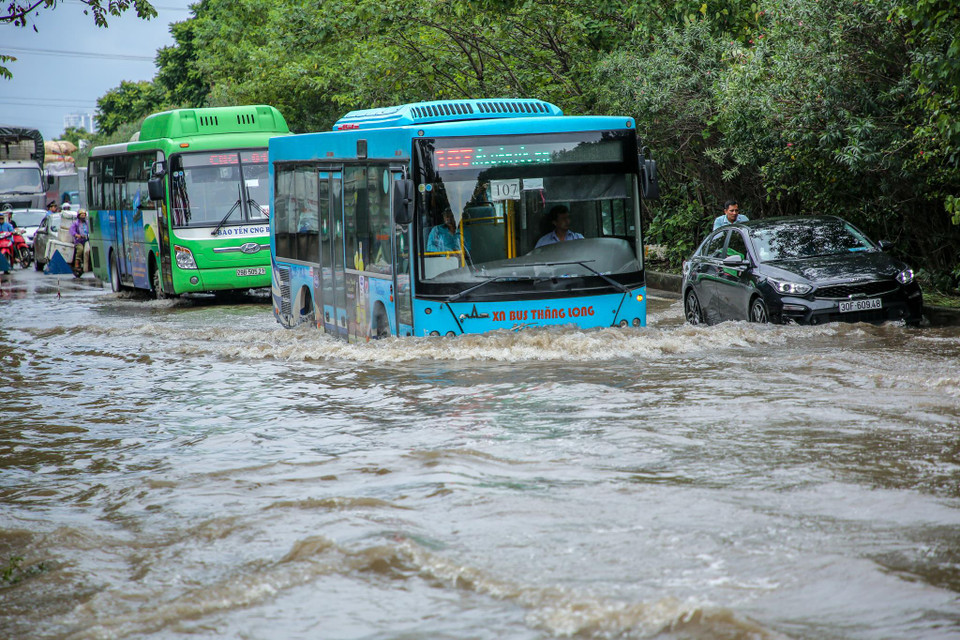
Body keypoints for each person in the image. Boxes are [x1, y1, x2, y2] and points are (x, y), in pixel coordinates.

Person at [70, 209, 91, 276]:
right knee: (80, 250)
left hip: (86, 240)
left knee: (87, 251)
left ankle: (86, 267)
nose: (83, 216)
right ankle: (77, 263)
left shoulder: (87, 223)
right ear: (79, 216)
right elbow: (72, 231)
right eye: (82, 215)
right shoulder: (76, 223)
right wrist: (77, 235)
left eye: (84, 215)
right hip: (79, 241)